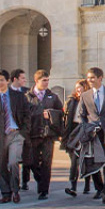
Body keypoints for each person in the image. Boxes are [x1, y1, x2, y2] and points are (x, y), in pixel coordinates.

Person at [0, 69, 31, 204]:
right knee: (0, 165)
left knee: (13, 162)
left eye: (2, 80)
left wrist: (24, 132)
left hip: (16, 134)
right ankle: (5, 192)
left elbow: (27, 114)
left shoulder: (18, 96)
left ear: (8, 81)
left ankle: (15, 190)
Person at [25, 69, 63, 200]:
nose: (46, 83)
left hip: (48, 134)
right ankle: (40, 179)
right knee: (32, 162)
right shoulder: (27, 97)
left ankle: (43, 190)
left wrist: (51, 113)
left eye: (47, 80)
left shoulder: (52, 96)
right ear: (36, 81)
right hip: (33, 134)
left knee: (46, 163)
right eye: (44, 80)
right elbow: (24, 114)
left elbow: (60, 112)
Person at [79, 67, 105, 203]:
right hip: (93, 134)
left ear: (100, 78)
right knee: (93, 162)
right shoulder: (85, 95)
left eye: (93, 78)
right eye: (88, 78)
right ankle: (99, 188)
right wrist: (86, 128)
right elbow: (82, 115)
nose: (90, 80)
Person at [62, 79, 94, 197]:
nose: (78, 90)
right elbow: (66, 119)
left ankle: (87, 184)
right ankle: (73, 186)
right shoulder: (72, 101)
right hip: (73, 132)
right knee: (74, 162)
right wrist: (64, 136)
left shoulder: (90, 101)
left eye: (80, 87)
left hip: (85, 132)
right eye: (77, 88)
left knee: (85, 160)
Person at [9, 69, 31, 190]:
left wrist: (24, 131)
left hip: (22, 132)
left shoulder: (27, 92)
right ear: (15, 79)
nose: (25, 80)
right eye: (22, 78)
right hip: (9, 133)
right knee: (13, 161)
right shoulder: (6, 92)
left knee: (24, 158)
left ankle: (24, 182)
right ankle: (14, 185)